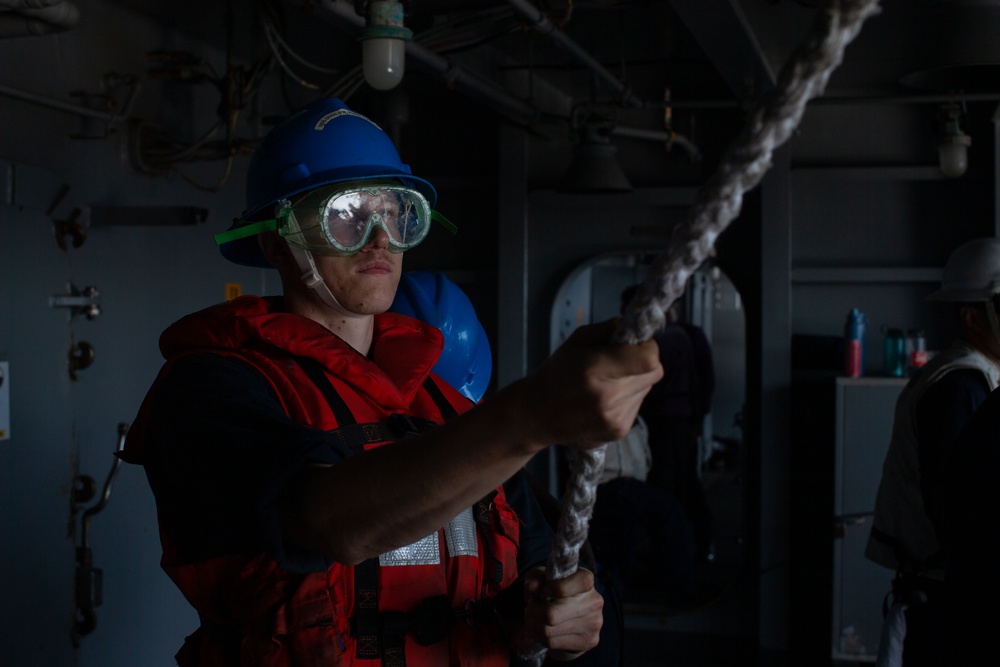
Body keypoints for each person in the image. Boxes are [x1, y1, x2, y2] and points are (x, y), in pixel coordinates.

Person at [120, 97, 662, 667]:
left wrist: (555, 614)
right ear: (277, 242)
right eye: (347, 214)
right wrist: (528, 416)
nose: (380, 238)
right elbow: (328, 522)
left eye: (397, 212)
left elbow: (530, 560)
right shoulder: (211, 391)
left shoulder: (442, 402)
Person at [865, 237, 1000, 667]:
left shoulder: (975, 377)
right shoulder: (962, 387)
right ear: (973, 317)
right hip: (946, 606)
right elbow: (965, 515)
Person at [623, 285, 716, 562]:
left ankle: (685, 550)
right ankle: (686, 549)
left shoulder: (668, 339)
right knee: (681, 484)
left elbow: (705, 381)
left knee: (674, 485)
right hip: (671, 421)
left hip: (670, 423)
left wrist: (696, 417)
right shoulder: (679, 336)